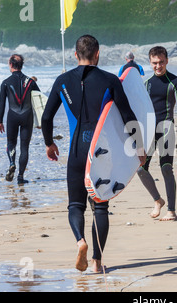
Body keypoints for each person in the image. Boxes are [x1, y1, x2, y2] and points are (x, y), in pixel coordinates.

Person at [42, 35, 146, 272]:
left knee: (75, 205)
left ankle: (81, 241)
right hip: (101, 151)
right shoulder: (110, 80)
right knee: (100, 206)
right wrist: (138, 148)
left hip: (77, 150)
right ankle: (97, 262)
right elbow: (128, 115)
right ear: (97, 54)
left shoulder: (62, 81)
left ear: (75, 55)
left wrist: (49, 144)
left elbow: (46, 117)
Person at [137, 46, 177, 221]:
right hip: (149, 130)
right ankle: (158, 200)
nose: (158, 66)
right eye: (154, 63)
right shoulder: (147, 83)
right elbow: (140, 109)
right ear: (150, 62)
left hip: (166, 128)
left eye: (161, 62)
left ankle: (171, 210)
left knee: (166, 168)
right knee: (140, 168)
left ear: (166, 61)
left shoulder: (175, 82)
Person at [0, 54, 41, 184]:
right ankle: (20, 177)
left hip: (12, 116)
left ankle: (11, 163)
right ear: (22, 65)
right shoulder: (30, 82)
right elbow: (39, 100)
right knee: (24, 147)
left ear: (10, 64)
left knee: (11, 143)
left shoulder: (5, 82)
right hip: (27, 116)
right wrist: (41, 120)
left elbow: (2, 104)